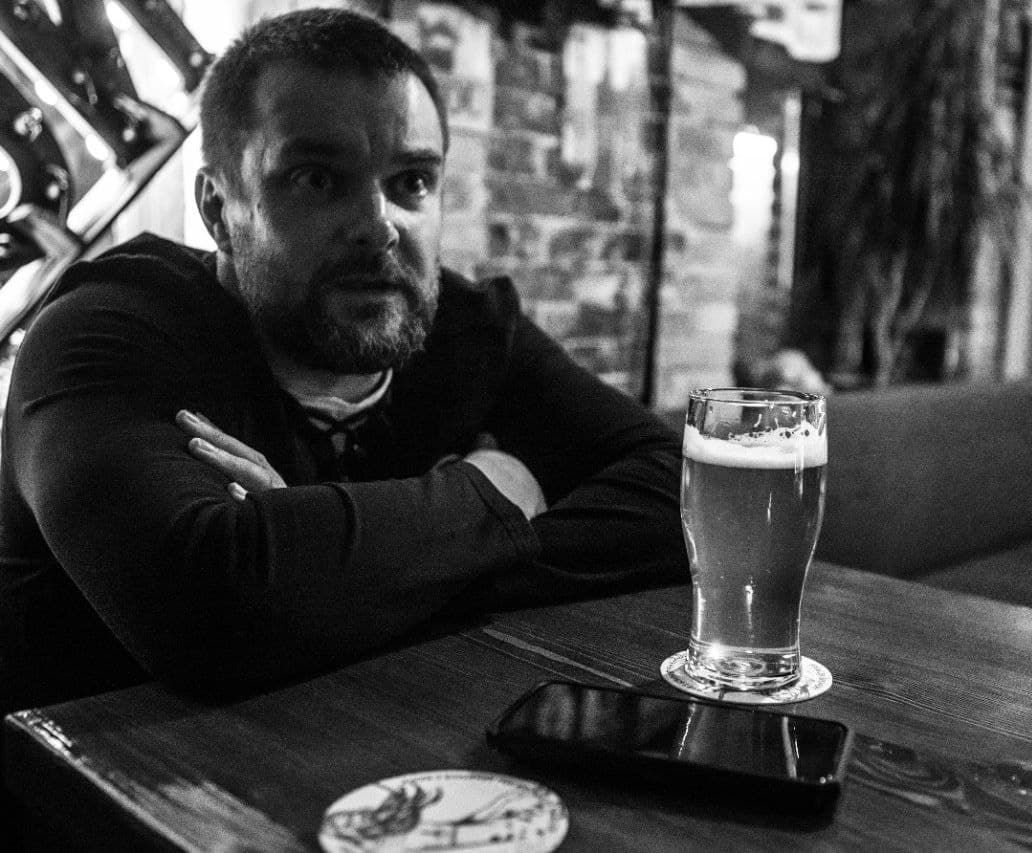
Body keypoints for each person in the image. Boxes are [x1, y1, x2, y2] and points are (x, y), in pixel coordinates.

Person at [0, 7, 686, 715]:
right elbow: (208, 613)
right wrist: (491, 491)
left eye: (412, 181)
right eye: (318, 179)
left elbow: (680, 493)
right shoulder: (107, 334)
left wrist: (344, 569)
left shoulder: (470, 328)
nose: (380, 226)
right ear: (218, 209)